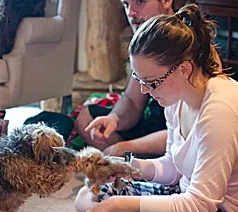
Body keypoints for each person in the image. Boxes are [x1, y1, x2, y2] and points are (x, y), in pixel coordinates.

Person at [23, 4, 238, 212]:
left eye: (151, 81)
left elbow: (199, 207)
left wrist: (117, 205)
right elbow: (174, 167)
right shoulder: (178, 99)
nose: (145, 90)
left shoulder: (221, 111)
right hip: (192, 196)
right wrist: (126, 168)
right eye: (139, 80)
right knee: (88, 197)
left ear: (184, 69)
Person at [25, 0, 180, 155]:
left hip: (176, 136)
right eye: (126, 4)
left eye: (140, 1)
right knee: (87, 119)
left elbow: (186, 132)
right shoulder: (146, 42)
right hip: (151, 127)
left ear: (166, 1)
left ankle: (137, 158)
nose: (131, 12)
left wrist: (124, 148)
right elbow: (132, 101)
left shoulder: (185, 46)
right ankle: (135, 159)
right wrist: (114, 119)